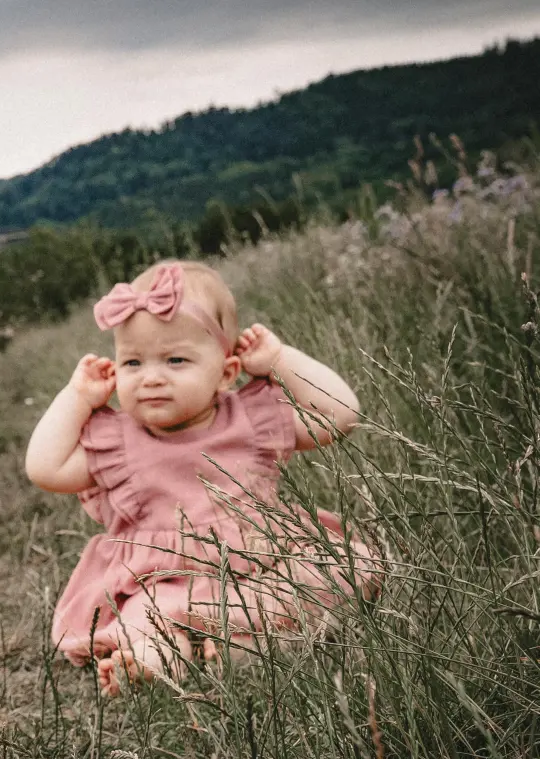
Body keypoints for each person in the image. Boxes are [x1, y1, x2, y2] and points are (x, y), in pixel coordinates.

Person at [24, 261, 374, 693]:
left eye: (175, 360)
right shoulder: (117, 441)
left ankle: (242, 646)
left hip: (261, 567)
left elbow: (341, 415)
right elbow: (44, 468)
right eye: (132, 362)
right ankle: (152, 663)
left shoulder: (251, 420)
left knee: (341, 571)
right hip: (163, 585)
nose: (152, 377)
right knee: (144, 620)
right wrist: (76, 397)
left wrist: (280, 359)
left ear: (226, 372)